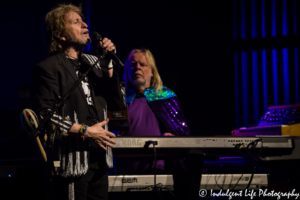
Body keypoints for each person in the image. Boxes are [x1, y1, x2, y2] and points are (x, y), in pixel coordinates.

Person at [30, 4, 124, 200]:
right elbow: (44, 115)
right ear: (61, 35)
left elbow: (116, 105)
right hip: (73, 160)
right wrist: (85, 131)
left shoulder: (95, 62)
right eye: (76, 22)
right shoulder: (49, 67)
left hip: (100, 158)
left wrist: (107, 67)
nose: (85, 25)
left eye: (83, 20)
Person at [118, 48, 190, 174]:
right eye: (133, 64)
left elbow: (182, 133)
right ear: (127, 70)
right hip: (126, 169)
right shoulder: (119, 99)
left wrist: (173, 137)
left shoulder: (165, 96)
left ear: (152, 71)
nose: (137, 67)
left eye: (143, 64)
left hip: (160, 170)